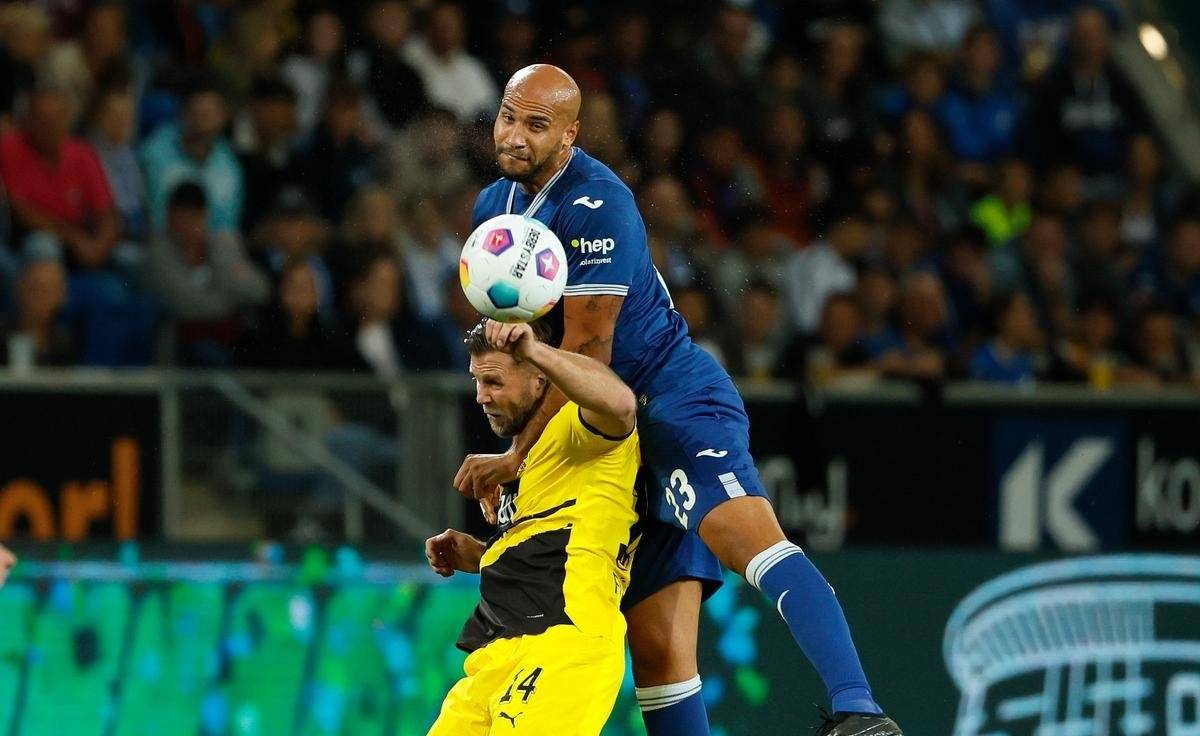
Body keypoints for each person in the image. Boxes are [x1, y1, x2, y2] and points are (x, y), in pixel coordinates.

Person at [457, 64, 903, 736]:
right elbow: (525, 355)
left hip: (667, 396)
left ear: (571, 133)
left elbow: (588, 349)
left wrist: (517, 456)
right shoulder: (494, 208)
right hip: (596, 425)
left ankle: (859, 710)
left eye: (536, 124)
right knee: (657, 650)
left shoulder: (598, 203)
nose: (515, 135)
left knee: (744, 537)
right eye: (508, 117)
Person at [426, 317, 639, 735]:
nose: (480, 396)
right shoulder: (522, 463)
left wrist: (536, 350)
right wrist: (483, 555)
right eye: (476, 381)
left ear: (539, 379)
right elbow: (554, 536)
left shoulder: (579, 430)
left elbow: (621, 404)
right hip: (494, 659)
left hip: (563, 644)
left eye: (494, 382)